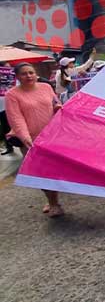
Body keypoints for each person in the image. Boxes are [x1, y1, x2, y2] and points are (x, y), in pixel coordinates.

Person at [5, 63, 63, 217]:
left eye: (31, 72)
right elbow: (16, 119)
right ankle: (52, 202)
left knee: (53, 169)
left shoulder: (46, 87)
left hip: (52, 137)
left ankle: (52, 199)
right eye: (24, 74)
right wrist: (25, 137)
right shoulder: (12, 95)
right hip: (30, 140)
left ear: (36, 74)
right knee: (42, 173)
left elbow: (55, 103)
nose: (29, 76)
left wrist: (58, 107)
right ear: (17, 77)